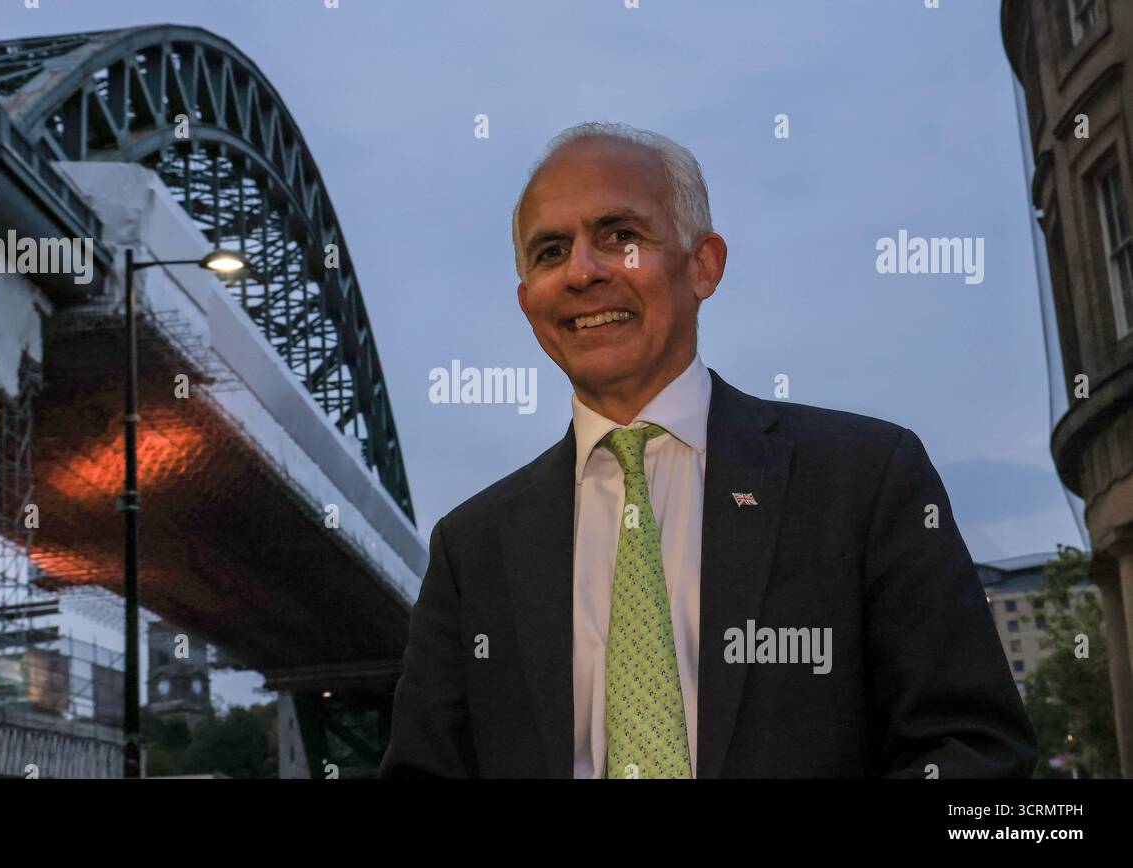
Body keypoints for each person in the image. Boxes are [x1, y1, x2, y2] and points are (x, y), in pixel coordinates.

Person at [378, 122, 1037, 778]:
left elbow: (972, 751)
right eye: (550, 252)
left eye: (620, 237)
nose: (582, 271)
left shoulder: (863, 481)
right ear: (528, 303)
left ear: (703, 265)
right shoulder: (472, 549)